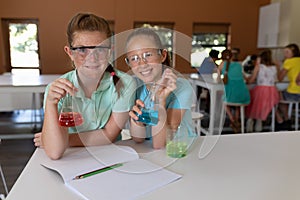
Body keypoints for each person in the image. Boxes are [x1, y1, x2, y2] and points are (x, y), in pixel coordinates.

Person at [33, 13, 135, 159]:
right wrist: (50, 103)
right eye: (82, 50)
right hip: (72, 159)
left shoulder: (124, 83)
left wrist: (61, 140)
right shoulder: (56, 91)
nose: (92, 58)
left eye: (100, 49)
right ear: (69, 52)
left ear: (110, 51)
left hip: (111, 157)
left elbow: (108, 135)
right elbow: (55, 152)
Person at [125, 28, 194, 149]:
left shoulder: (182, 87)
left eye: (148, 55)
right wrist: (137, 121)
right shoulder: (134, 86)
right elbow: (138, 139)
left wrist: (159, 101)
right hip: (149, 152)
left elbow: (160, 144)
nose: (142, 63)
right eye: (134, 58)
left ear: (162, 55)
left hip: (180, 150)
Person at [245, 49, 280, 132]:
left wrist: (246, 79)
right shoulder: (274, 67)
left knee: (253, 102)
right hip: (272, 91)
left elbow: (251, 80)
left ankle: (250, 120)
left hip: (261, 89)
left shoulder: (259, 67)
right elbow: (276, 78)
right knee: (262, 106)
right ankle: (259, 122)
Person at [219, 49, 250, 133]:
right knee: (237, 104)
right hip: (242, 95)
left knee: (224, 101)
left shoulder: (222, 64)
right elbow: (246, 78)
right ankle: (236, 120)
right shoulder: (239, 65)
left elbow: (218, 75)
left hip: (230, 94)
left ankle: (232, 119)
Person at [276, 43, 300, 130]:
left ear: (293, 53)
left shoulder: (289, 62)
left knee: (278, 95)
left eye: (287, 52)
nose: (285, 54)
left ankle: (286, 118)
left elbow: (280, 78)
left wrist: (278, 67)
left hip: (294, 93)